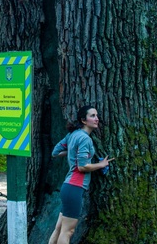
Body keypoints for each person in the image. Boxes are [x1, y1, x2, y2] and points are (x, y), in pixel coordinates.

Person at [48, 105, 114, 244]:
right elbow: (83, 166)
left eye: (97, 115)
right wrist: (101, 165)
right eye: (92, 116)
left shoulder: (72, 135)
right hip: (75, 187)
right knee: (68, 231)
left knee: (59, 228)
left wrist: (73, 152)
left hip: (68, 187)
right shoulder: (85, 139)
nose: (97, 119)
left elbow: (55, 152)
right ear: (84, 120)